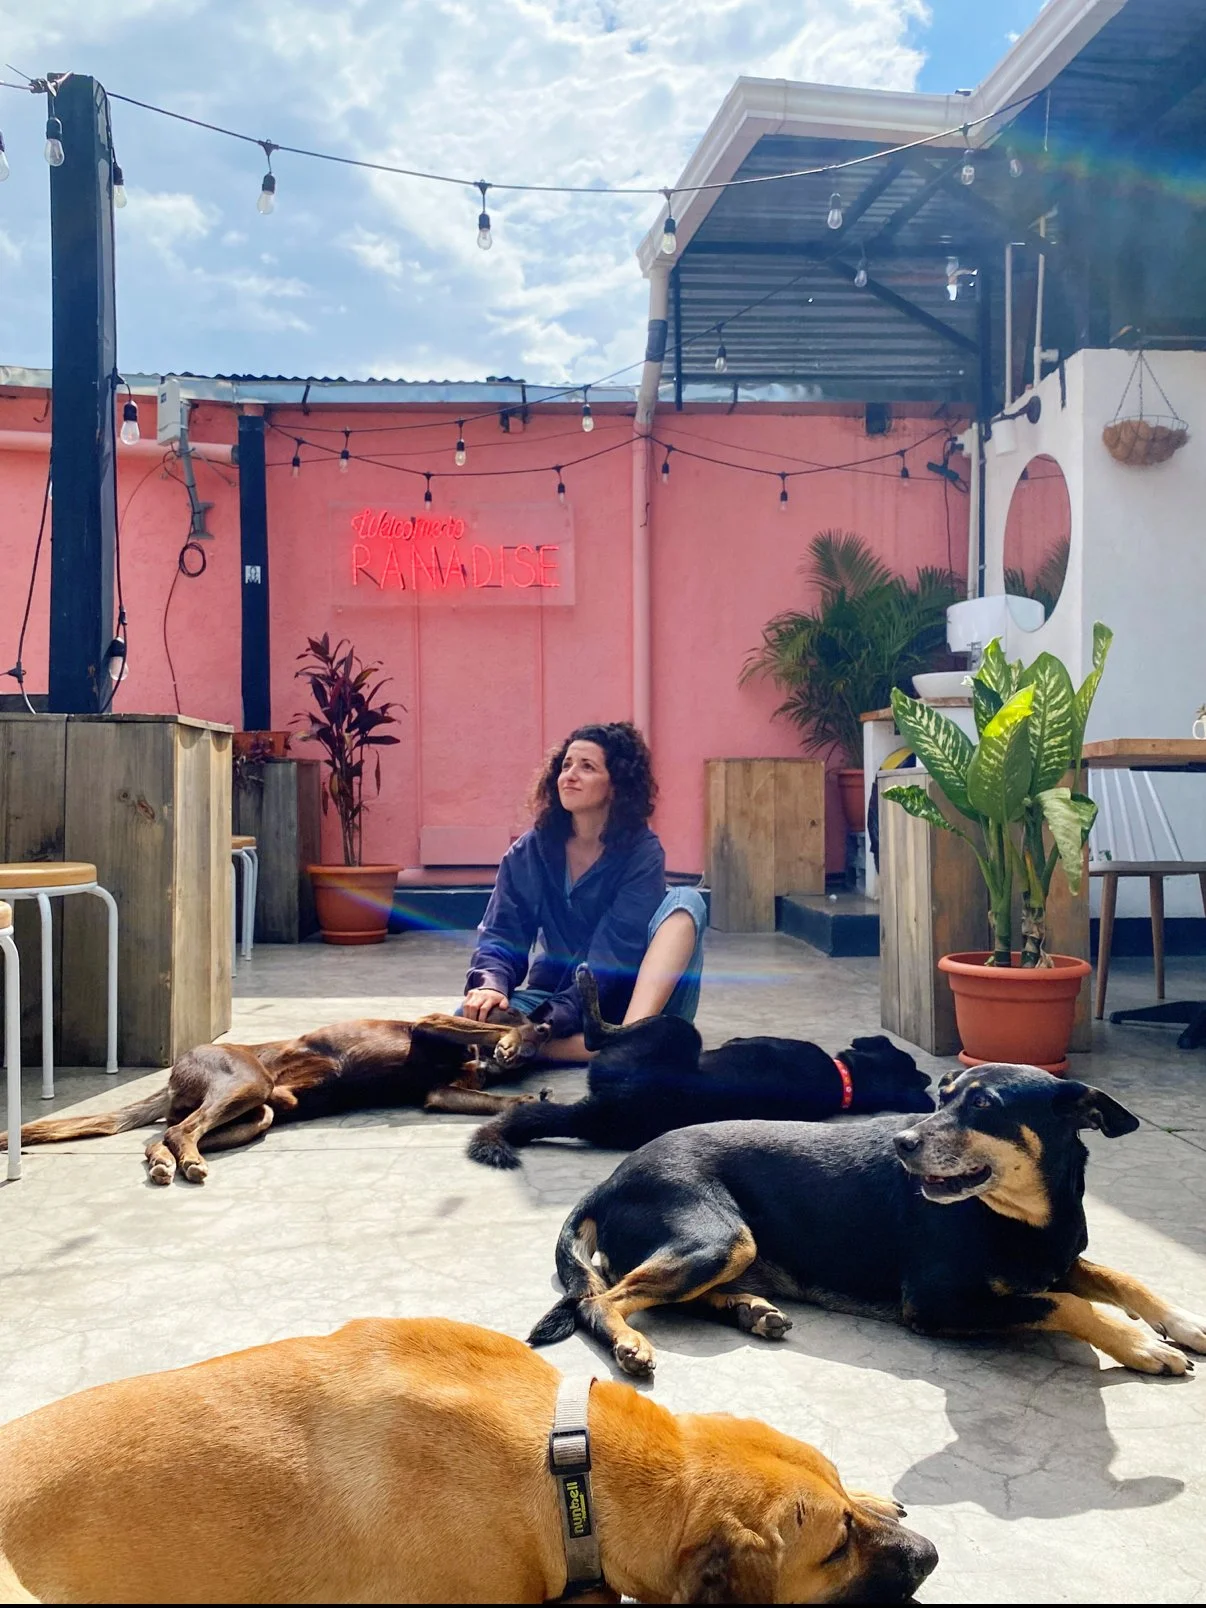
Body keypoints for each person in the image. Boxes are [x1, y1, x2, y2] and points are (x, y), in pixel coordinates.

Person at [461, 722, 706, 1061]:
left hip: (634, 1004)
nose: (570, 776)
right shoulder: (531, 850)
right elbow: (502, 934)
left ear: (616, 786)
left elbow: (614, 958)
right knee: (469, 1017)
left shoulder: (642, 852)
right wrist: (491, 986)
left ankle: (626, 1042)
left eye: (587, 767)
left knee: (687, 900)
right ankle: (582, 1050)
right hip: (558, 999)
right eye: (566, 765)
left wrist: (546, 1023)